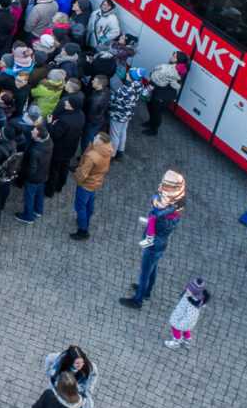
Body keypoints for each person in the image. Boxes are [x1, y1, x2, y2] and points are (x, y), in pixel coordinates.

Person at [120, 170, 187, 309]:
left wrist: (152, 217)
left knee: (145, 273)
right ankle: (147, 291)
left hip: (153, 244)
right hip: (161, 243)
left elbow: (154, 220)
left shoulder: (160, 215)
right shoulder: (177, 207)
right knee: (153, 268)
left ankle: (138, 300)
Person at [69, 133, 113, 240]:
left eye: (97, 138)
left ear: (101, 142)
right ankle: (85, 221)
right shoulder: (107, 150)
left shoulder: (93, 156)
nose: (94, 138)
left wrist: (76, 176)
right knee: (89, 205)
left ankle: (82, 231)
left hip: (86, 184)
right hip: (95, 182)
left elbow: (83, 174)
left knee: (80, 207)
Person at [166, 277, 210, 348]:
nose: (187, 290)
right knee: (186, 328)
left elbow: (185, 310)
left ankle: (176, 341)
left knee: (175, 325)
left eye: (189, 289)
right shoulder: (199, 298)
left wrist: (178, 317)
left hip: (184, 317)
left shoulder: (192, 300)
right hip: (189, 318)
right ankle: (187, 341)